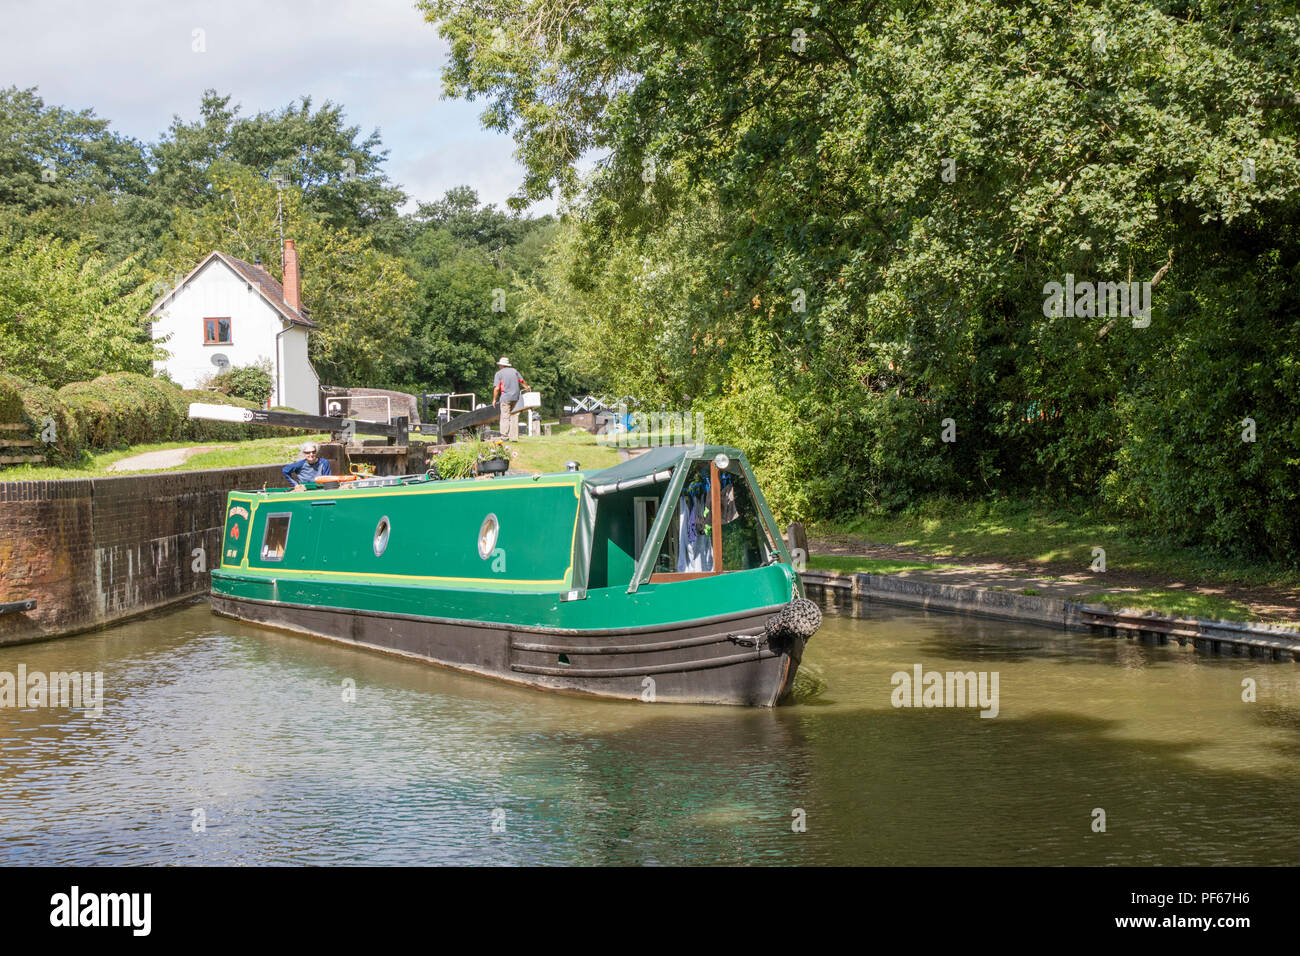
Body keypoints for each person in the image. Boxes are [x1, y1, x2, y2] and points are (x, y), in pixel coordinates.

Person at [492, 357, 530, 441]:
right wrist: (527, 387)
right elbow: (522, 381)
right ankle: (513, 436)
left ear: (501, 365)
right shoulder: (514, 371)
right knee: (512, 415)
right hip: (516, 397)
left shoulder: (499, 374)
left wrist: (494, 399)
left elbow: (497, 388)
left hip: (506, 398)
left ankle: (504, 437)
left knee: (505, 417)